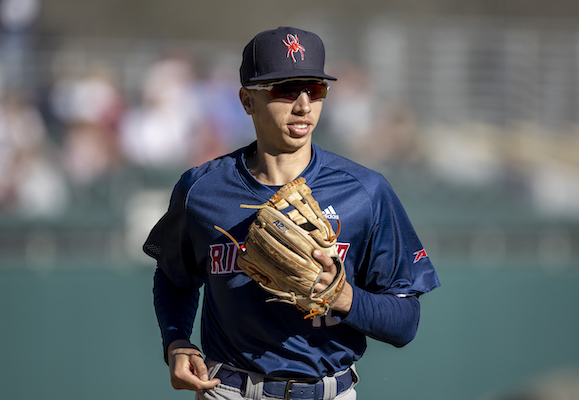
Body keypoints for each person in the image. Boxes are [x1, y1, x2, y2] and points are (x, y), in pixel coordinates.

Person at [143, 26, 440, 400]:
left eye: (315, 90)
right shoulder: (201, 191)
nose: (303, 105)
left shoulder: (364, 191)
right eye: (285, 89)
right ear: (247, 100)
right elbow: (174, 278)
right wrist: (175, 340)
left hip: (329, 391)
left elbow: (406, 323)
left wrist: (344, 296)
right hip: (231, 389)